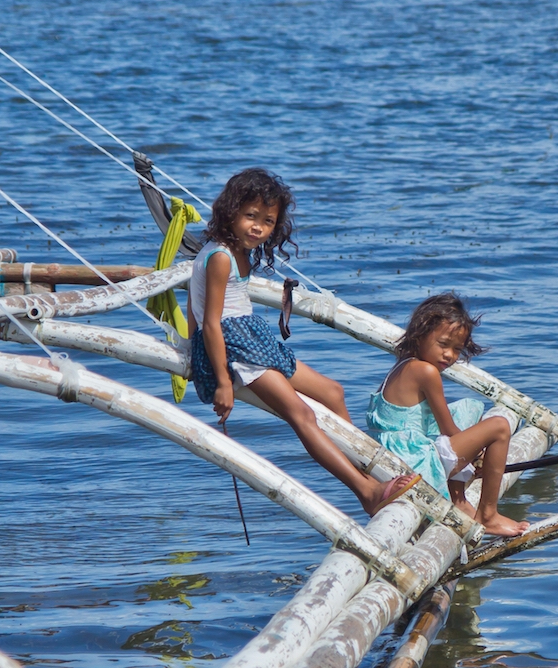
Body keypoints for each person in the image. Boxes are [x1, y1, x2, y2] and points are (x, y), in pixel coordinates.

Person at [190, 167, 412, 516]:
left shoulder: (237, 252)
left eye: (267, 221)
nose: (258, 227)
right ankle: (366, 491)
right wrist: (220, 381)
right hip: (234, 349)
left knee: (333, 392)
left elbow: (195, 304)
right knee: (303, 415)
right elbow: (209, 323)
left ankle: (368, 469)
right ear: (230, 212)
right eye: (250, 216)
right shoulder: (219, 257)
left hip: (250, 337)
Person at [367, 293, 530, 537]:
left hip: (398, 454)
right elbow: (448, 430)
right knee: (499, 427)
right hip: (413, 460)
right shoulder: (425, 371)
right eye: (443, 344)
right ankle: (489, 515)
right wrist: (478, 452)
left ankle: (459, 499)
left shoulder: (404, 365)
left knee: (466, 409)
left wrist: (471, 449)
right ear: (419, 335)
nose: (450, 355)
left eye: (457, 349)